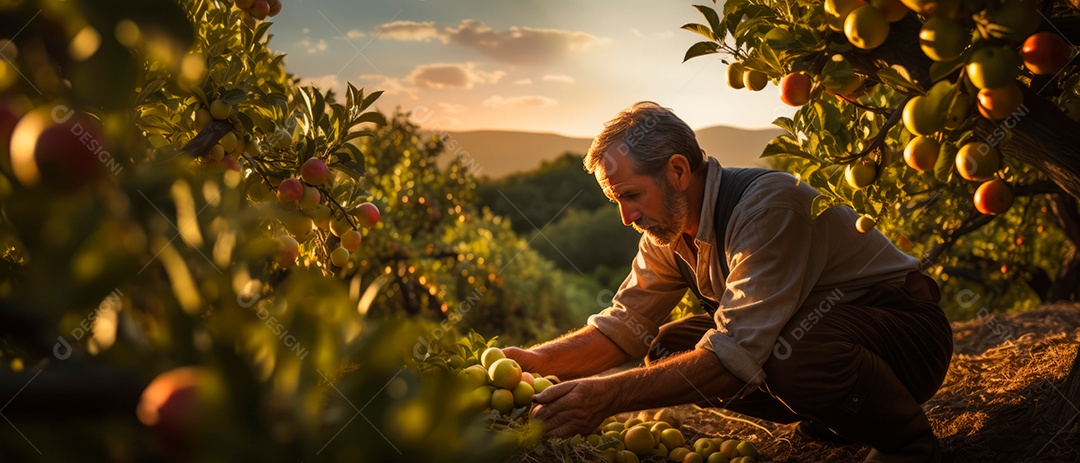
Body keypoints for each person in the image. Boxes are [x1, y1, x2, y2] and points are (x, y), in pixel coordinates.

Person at [502, 101, 953, 463]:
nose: (627, 217)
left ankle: (907, 442)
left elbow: (732, 354)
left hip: (905, 334)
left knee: (787, 355)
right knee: (665, 347)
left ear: (677, 171)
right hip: (838, 336)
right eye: (616, 201)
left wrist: (607, 395)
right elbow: (625, 326)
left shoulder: (767, 208)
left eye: (631, 196)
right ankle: (834, 413)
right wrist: (534, 362)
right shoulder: (669, 228)